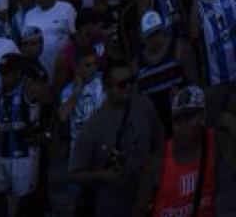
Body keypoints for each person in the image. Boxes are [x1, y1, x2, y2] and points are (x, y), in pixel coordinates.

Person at [68, 60, 164, 217]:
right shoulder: (93, 127)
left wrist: (154, 179)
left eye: (131, 81)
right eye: (121, 84)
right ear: (106, 89)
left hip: (147, 201)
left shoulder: (145, 106)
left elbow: (159, 143)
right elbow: (74, 174)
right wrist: (103, 175)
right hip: (111, 207)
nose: (128, 87)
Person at [133, 85, 228, 216]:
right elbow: (140, 209)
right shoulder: (158, 161)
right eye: (178, 120)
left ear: (202, 117)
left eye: (189, 118)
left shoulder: (217, 142)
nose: (183, 126)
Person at [0, 53, 50, 217]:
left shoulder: (32, 88)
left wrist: (46, 135)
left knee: (25, 202)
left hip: (24, 155)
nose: (2, 76)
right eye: (1, 72)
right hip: (0, 153)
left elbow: (53, 109)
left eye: (6, 73)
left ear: (18, 72)